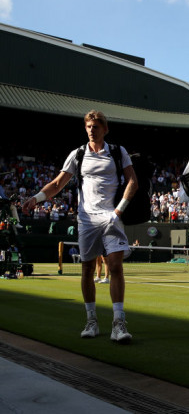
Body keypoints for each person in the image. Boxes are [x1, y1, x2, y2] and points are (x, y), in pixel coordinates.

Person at [21, 110, 137, 343]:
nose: (92, 130)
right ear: (85, 129)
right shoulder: (78, 154)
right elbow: (57, 184)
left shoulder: (118, 151)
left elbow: (133, 181)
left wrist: (119, 211)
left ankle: (118, 323)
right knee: (86, 270)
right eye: (88, 126)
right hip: (86, 220)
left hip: (111, 217)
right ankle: (91, 321)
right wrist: (36, 198)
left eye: (96, 126)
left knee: (115, 267)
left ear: (105, 129)